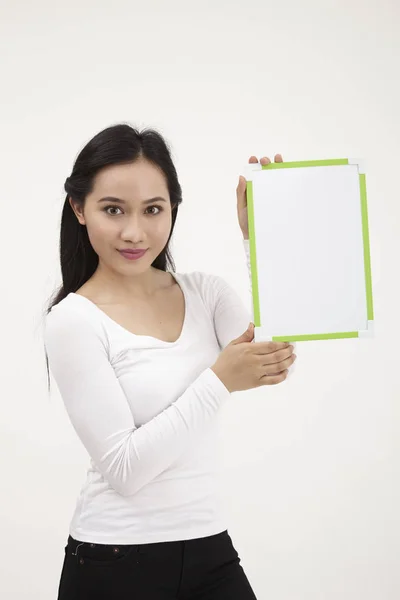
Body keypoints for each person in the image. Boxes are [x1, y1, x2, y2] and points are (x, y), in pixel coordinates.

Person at [43, 123, 296, 600]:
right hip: (113, 561)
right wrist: (219, 380)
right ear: (78, 208)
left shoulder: (206, 293)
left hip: (209, 549)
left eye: (154, 210)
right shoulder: (73, 321)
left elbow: (276, 360)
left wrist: (265, 241)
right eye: (113, 209)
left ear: (173, 209)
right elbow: (125, 468)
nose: (135, 231)